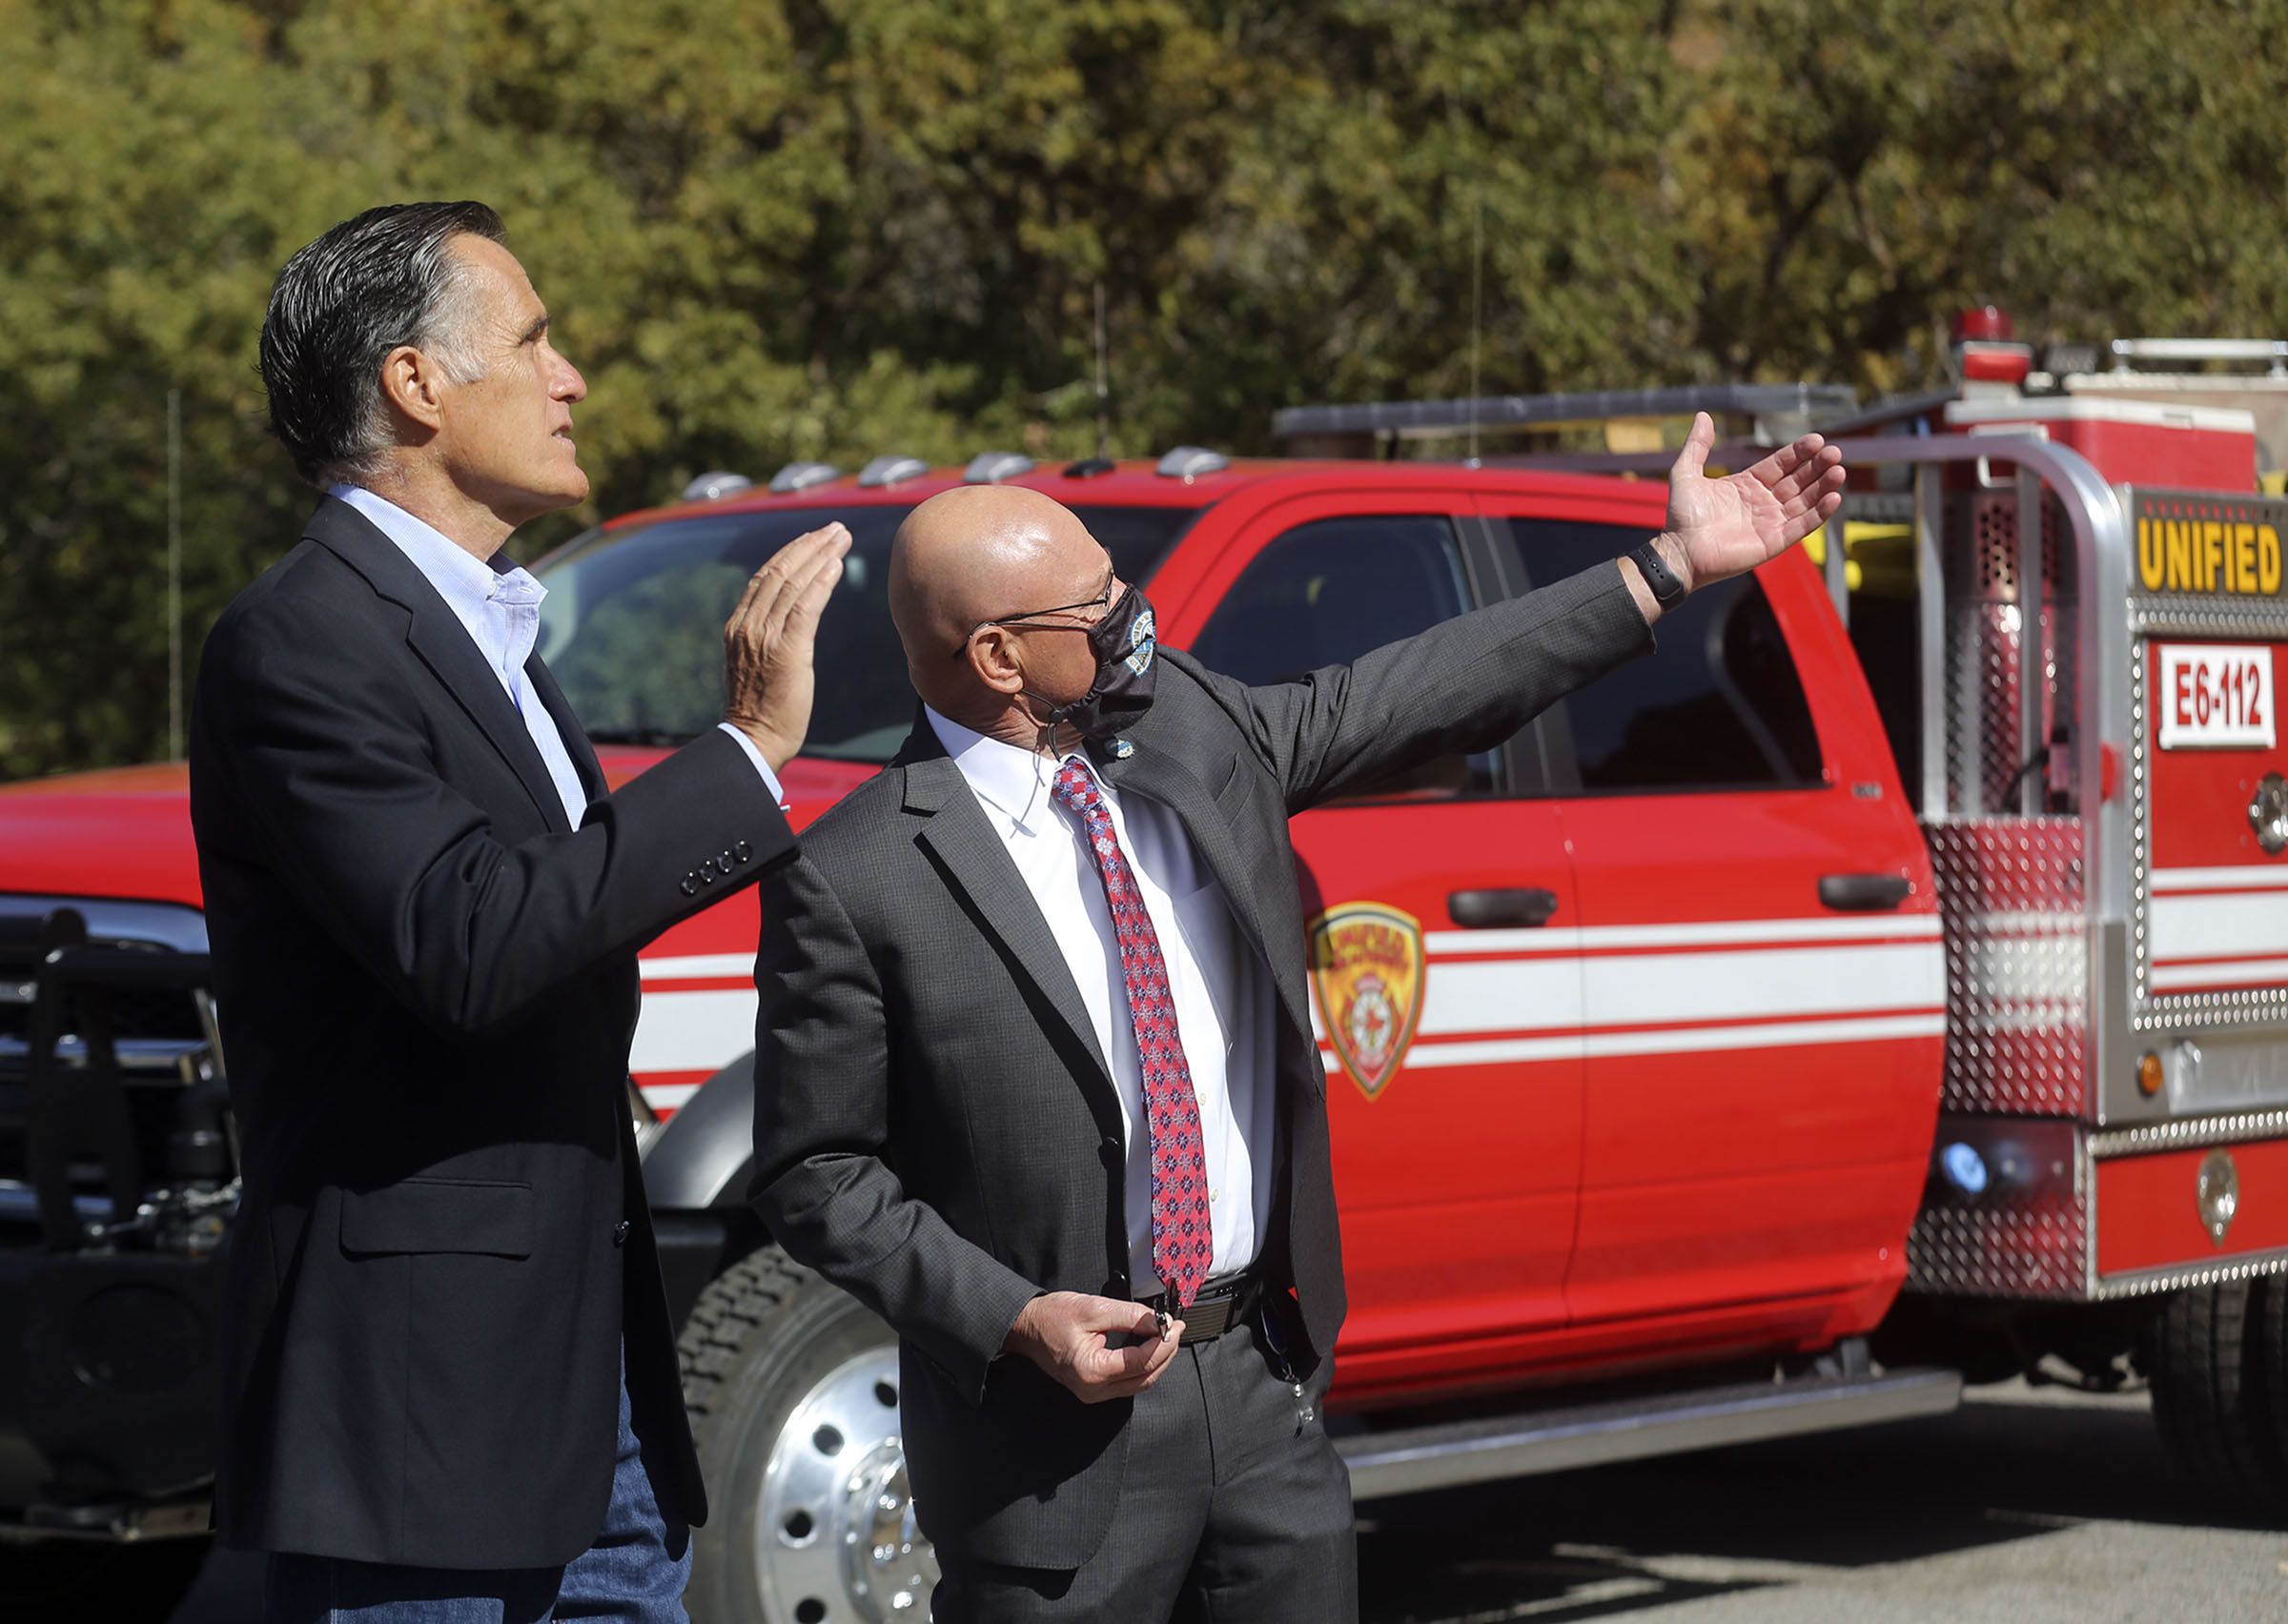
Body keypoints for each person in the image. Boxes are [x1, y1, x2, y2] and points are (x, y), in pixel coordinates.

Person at [747, 416, 1847, 1621]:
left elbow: (1421, 689)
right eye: (1099, 612)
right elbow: (820, 1174)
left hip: (1262, 1392)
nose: (1135, 624)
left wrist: (1668, 566)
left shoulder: (1193, 732)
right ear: (999, 658)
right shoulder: (856, 874)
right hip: (1048, 1455)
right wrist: (1012, 1320)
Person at [189, 200, 848, 1623]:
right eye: (536, 339)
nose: (572, 378)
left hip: (578, 1360)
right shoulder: (300, 638)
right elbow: (471, 942)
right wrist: (744, 754)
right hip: (424, 1405)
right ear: (416, 386)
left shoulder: (487, 626)